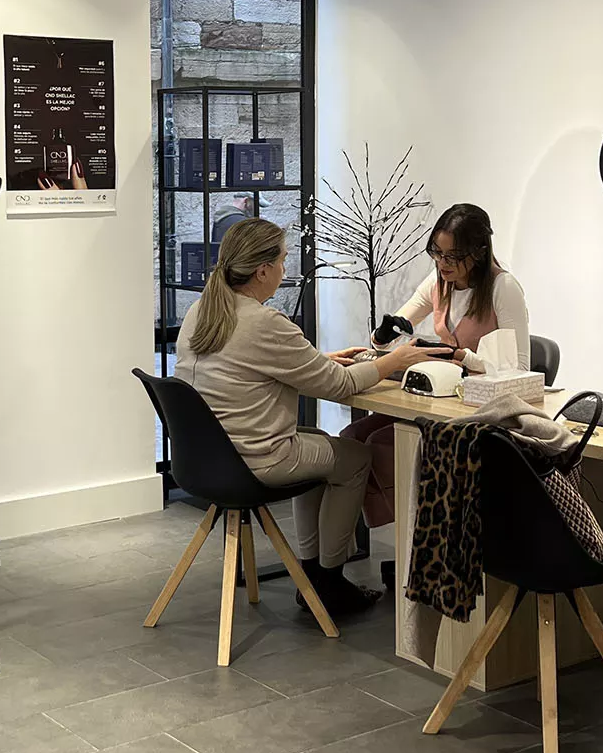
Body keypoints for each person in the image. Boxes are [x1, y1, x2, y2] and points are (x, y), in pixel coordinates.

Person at [174, 217, 445, 615]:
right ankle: (328, 580)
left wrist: (323, 361)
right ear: (263, 270)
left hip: (208, 459)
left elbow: (258, 368)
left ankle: (312, 575)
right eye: (283, 261)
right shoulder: (266, 323)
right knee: (356, 458)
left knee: (319, 444)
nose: (286, 269)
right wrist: (395, 360)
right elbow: (339, 387)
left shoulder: (204, 309)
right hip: (255, 460)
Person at [340, 203, 531, 528]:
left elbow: (521, 370)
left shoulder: (503, 288)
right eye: (437, 253)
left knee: (381, 445)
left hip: (480, 411)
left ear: (479, 251)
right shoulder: (438, 282)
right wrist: (383, 334)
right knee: (352, 437)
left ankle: (425, 534)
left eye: (452, 256)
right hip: (442, 401)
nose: (443, 264)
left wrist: (459, 357)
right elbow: (392, 333)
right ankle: (406, 532)